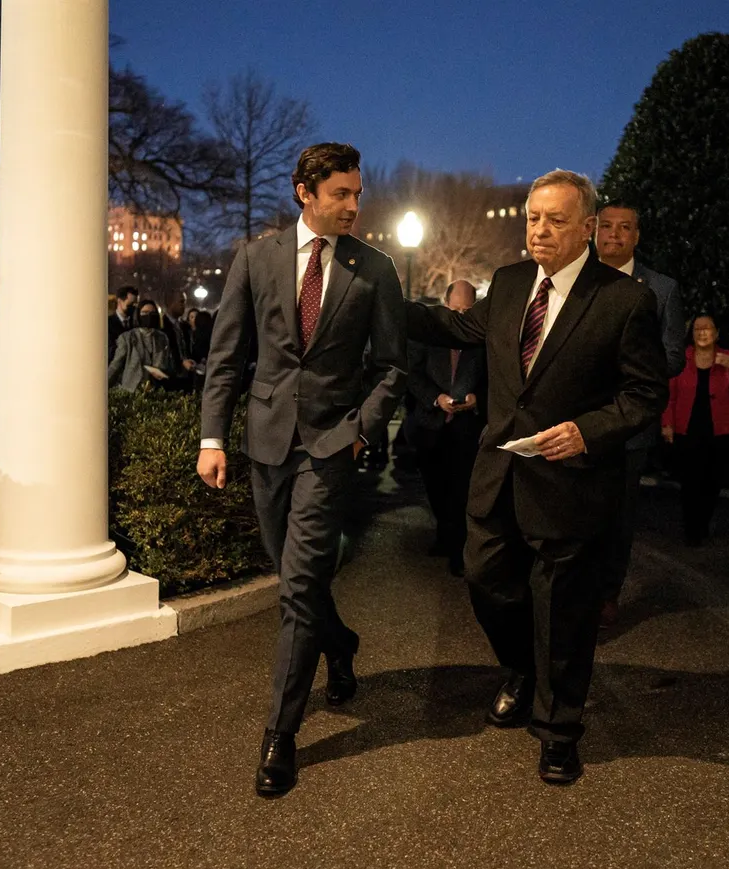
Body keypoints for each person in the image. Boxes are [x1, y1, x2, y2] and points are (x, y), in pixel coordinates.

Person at [405, 169, 667, 785]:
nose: (539, 230)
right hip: (498, 472)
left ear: (587, 228)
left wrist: (589, 430)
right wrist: (373, 291)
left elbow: (645, 392)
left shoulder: (624, 300)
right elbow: (457, 328)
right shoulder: (513, 282)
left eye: (554, 220)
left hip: (570, 479)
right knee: (485, 578)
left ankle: (558, 731)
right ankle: (523, 669)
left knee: (564, 610)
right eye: (532, 218)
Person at [197, 142, 406, 797]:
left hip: (329, 447)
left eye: (357, 192)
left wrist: (359, 430)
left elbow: (393, 365)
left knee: (296, 588)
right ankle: (339, 642)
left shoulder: (373, 269)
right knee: (297, 576)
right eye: (341, 193)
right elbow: (226, 356)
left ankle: (280, 735)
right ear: (303, 192)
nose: (354, 204)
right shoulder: (255, 259)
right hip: (264, 443)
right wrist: (212, 435)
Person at [595, 201, 685, 624]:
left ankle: (607, 592)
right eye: (606, 226)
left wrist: (626, 369)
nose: (614, 234)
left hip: (630, 422)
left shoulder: (661, 288)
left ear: (636, 235)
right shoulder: (576, 278)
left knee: (619, 513)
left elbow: (672, 356)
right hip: (576, 416)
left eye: (624, 228)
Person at [403, 280, 487, 576]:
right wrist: (436, 399)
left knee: (460, 491)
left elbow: (493, 379)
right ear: (445, 304)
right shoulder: (429, 336)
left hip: (467, 428)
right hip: (432, 424)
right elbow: (412, 376)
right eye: (456, 308)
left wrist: (478, 398)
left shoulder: (481, 339)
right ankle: (444, 533)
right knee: (436, 486)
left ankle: (458, 550)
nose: (461, 315)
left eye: (467, 309)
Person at [661, 314, 729, 545]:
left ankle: (703, 523)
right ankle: (692, 530)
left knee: (712, 482)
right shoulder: (682, 359)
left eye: (707, 329)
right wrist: (667, 423)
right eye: (697, 329)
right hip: (688, 430)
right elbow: (670, 395)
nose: (702, 333)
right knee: (690, 482)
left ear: (716, 333)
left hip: (719, 431)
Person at [107, 301, 175, 391]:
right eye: (145, 312)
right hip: (133, 390)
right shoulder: (127, 337)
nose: (149, 316)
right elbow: (116, 365)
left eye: (152, 313)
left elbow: (168, 363)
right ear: (138, 315)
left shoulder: (162, 337)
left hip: (157, 390)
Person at [108, 286, 139, 363]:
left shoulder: (137, 323)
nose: (133, 307)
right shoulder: (108, 324)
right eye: (130, 304)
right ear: (119, 301)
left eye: (135, 304)